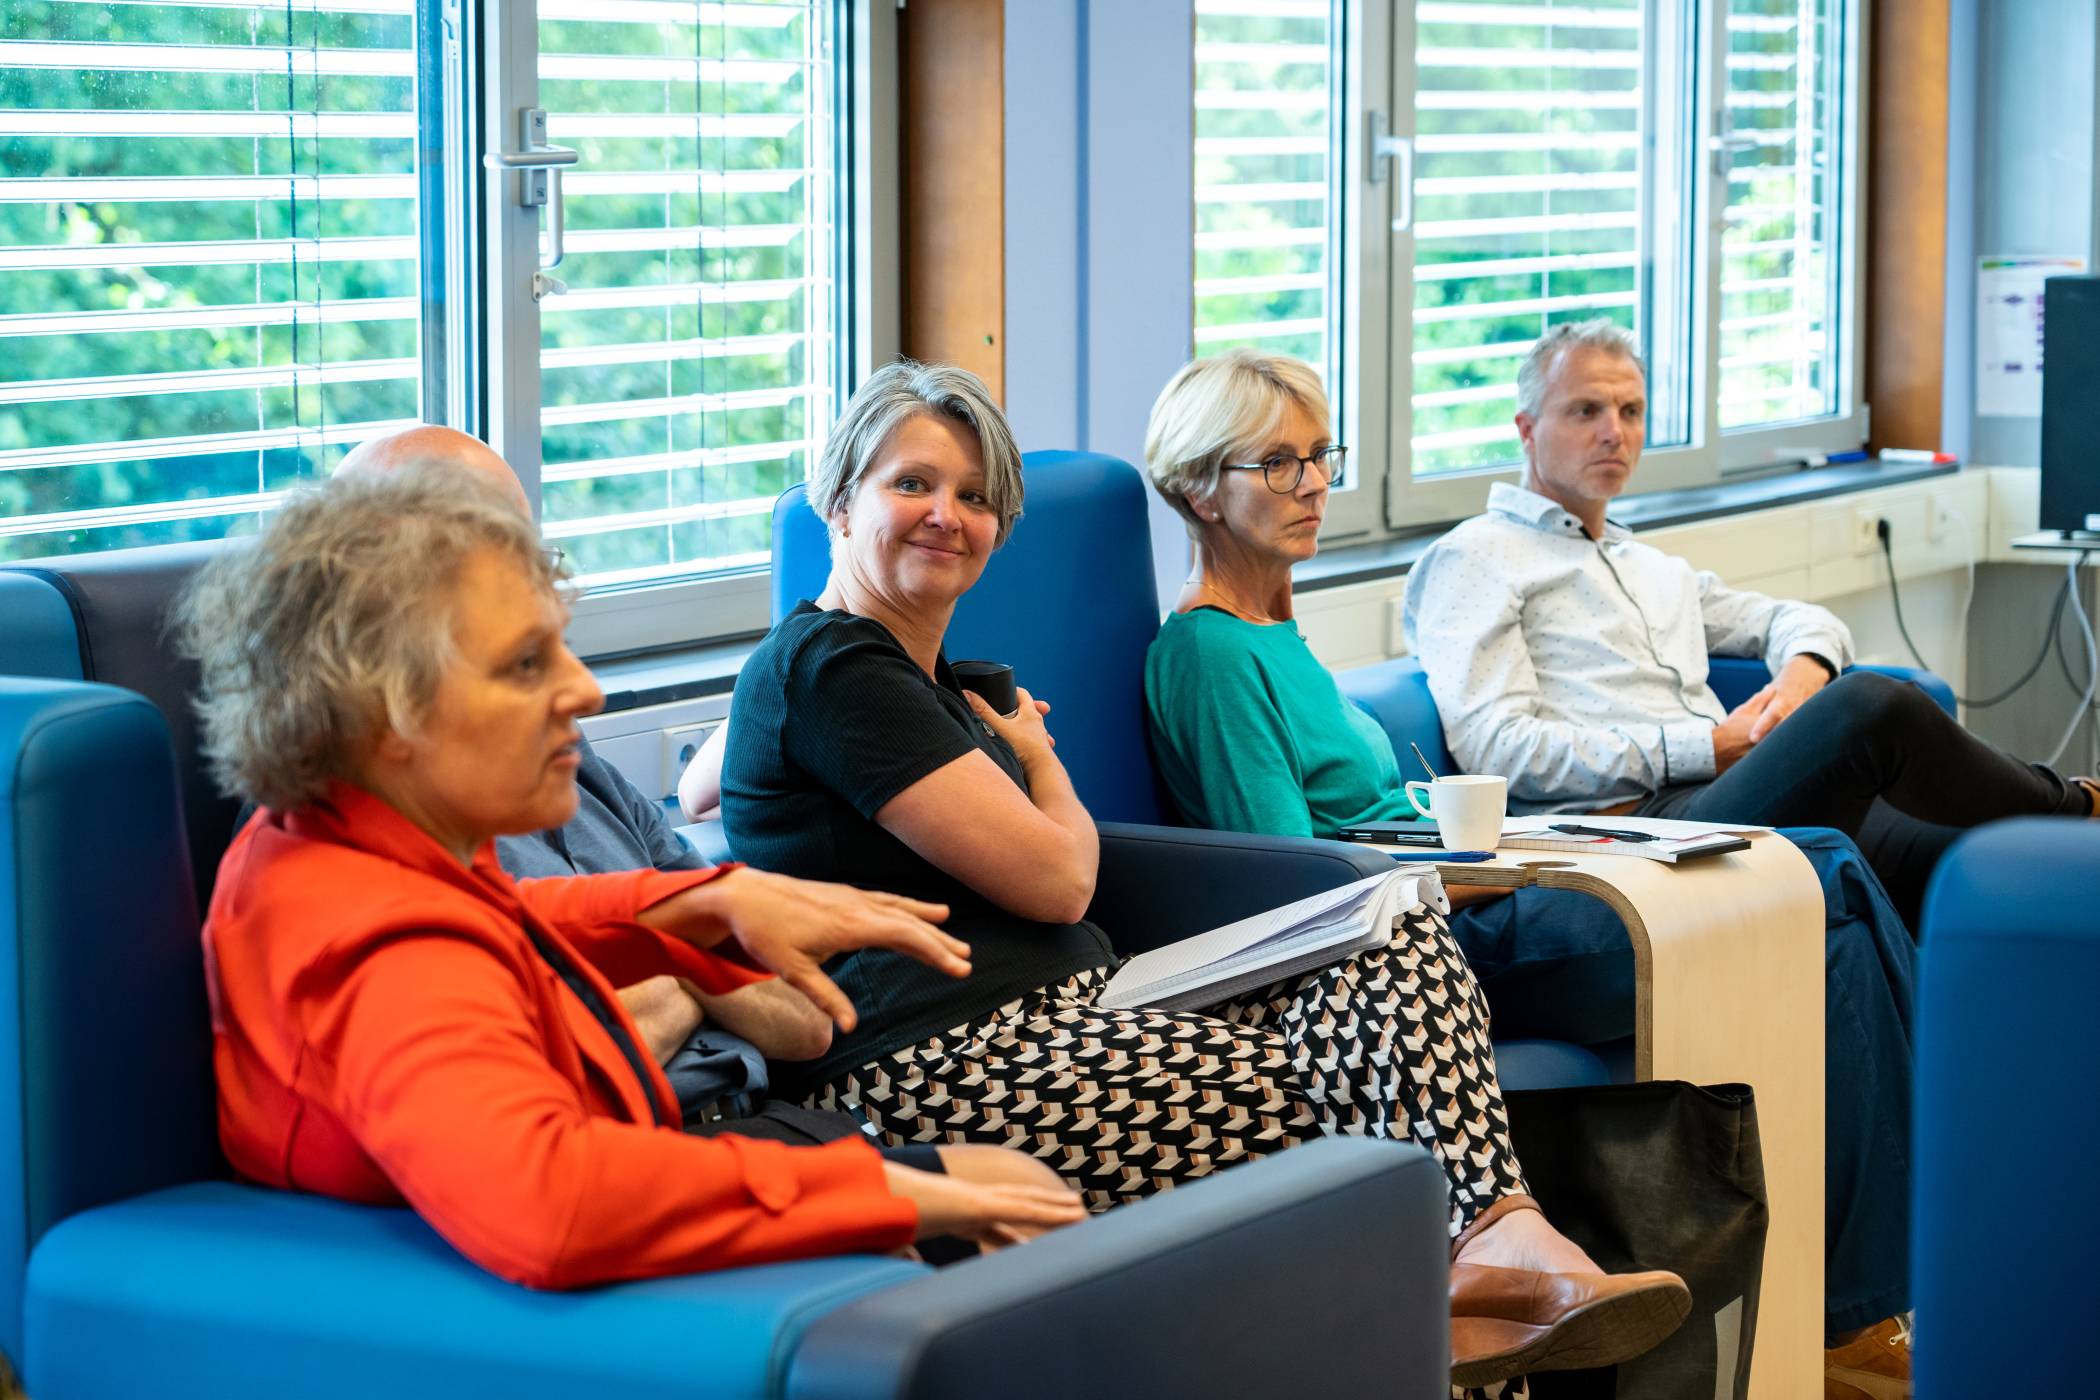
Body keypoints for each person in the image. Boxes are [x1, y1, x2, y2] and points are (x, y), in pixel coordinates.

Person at [718, 358, 1691, 1394]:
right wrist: (1043, 760)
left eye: (971, 495)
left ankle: (1502, 1229)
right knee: (1363, 1133)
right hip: (944, 1053)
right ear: (839, 499)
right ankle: (1479, 1276)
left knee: (1394, 924)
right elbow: (1059, 881)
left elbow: (720, 770)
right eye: (911, 483)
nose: (945, 514)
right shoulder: (838, 666)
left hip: (1082, 1002)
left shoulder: (914, 679)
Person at [1136, 347, 1919, 1392]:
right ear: (1198, 485)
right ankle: (1869, 1301)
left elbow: (1371, 810)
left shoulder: (1277, 631)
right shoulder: (1209, 654)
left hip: (1481, 885)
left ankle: (1870, 1294)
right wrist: (1475, 867)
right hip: (1432, 944)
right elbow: (1297, 883)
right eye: (1279, 464)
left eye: (1320, 456)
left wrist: (1485, 836)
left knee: (1824, 878)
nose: (1316, 483)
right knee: (1821, 870)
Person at [177, 462, 1088, 1288]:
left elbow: (518, 916)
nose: (584, 691)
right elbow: (554, 1204)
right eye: (528, 665)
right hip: (462, 1290)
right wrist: (889, 1195)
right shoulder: (381, 944)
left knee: (1019, 1198)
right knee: (1015, 1208)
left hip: (642, 1150)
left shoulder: (334, 838)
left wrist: (698, 899)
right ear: (384, 715)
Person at [1403, 318, 2099, 929]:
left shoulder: (1645, 562)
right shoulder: (1476, 557)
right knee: (1873, 704)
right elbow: (1501, 750)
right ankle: (2077, 803)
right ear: (1526, 429)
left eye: (1631, 410)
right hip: (1630, 827)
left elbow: (1800, 622)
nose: (1615, 432)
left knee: (1977, 863)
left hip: (1723, 795)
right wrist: (1706, 746)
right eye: (1586, 411)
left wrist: (1798, 687)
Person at [333, 426, 829, 1130]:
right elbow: (525, 1078)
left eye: (524, 549)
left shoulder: (570, 757)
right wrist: (687, 959)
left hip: (758, 1114)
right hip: (612, 1144)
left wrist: (660, 967)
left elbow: (804, 1017)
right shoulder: (364, 817)